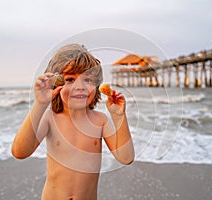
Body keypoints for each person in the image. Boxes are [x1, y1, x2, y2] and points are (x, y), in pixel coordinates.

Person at [11, 44, 135, 200]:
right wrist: (40, 104)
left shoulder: (100, 121)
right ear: (55, 84)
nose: (80, 87)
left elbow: (126, 157)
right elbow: (19, 152)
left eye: (88, 79)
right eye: (70, 79)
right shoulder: (50, 119)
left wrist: (119, 117)